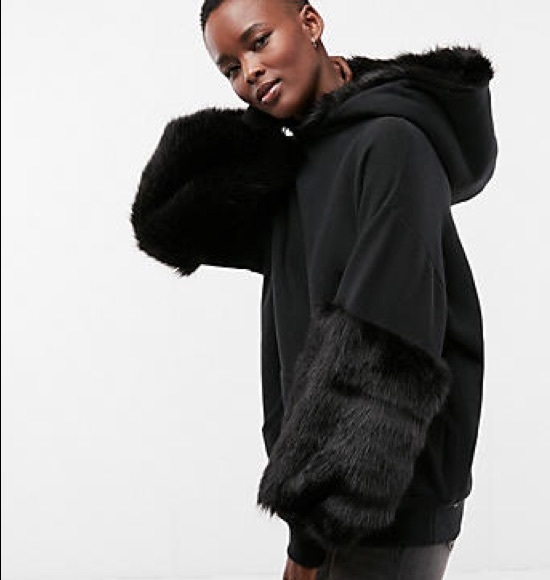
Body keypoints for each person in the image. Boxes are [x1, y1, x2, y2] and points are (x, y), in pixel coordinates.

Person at [130, 0, 498, 578]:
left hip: (383, 502)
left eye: (259, 42)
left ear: (310, 23)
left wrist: (309, 542)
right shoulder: (296, 161)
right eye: (230, 69)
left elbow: (383, 344)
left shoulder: (391, 144)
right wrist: (260, 129)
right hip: (326, 500)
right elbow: (164, 227)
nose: (249, 71)